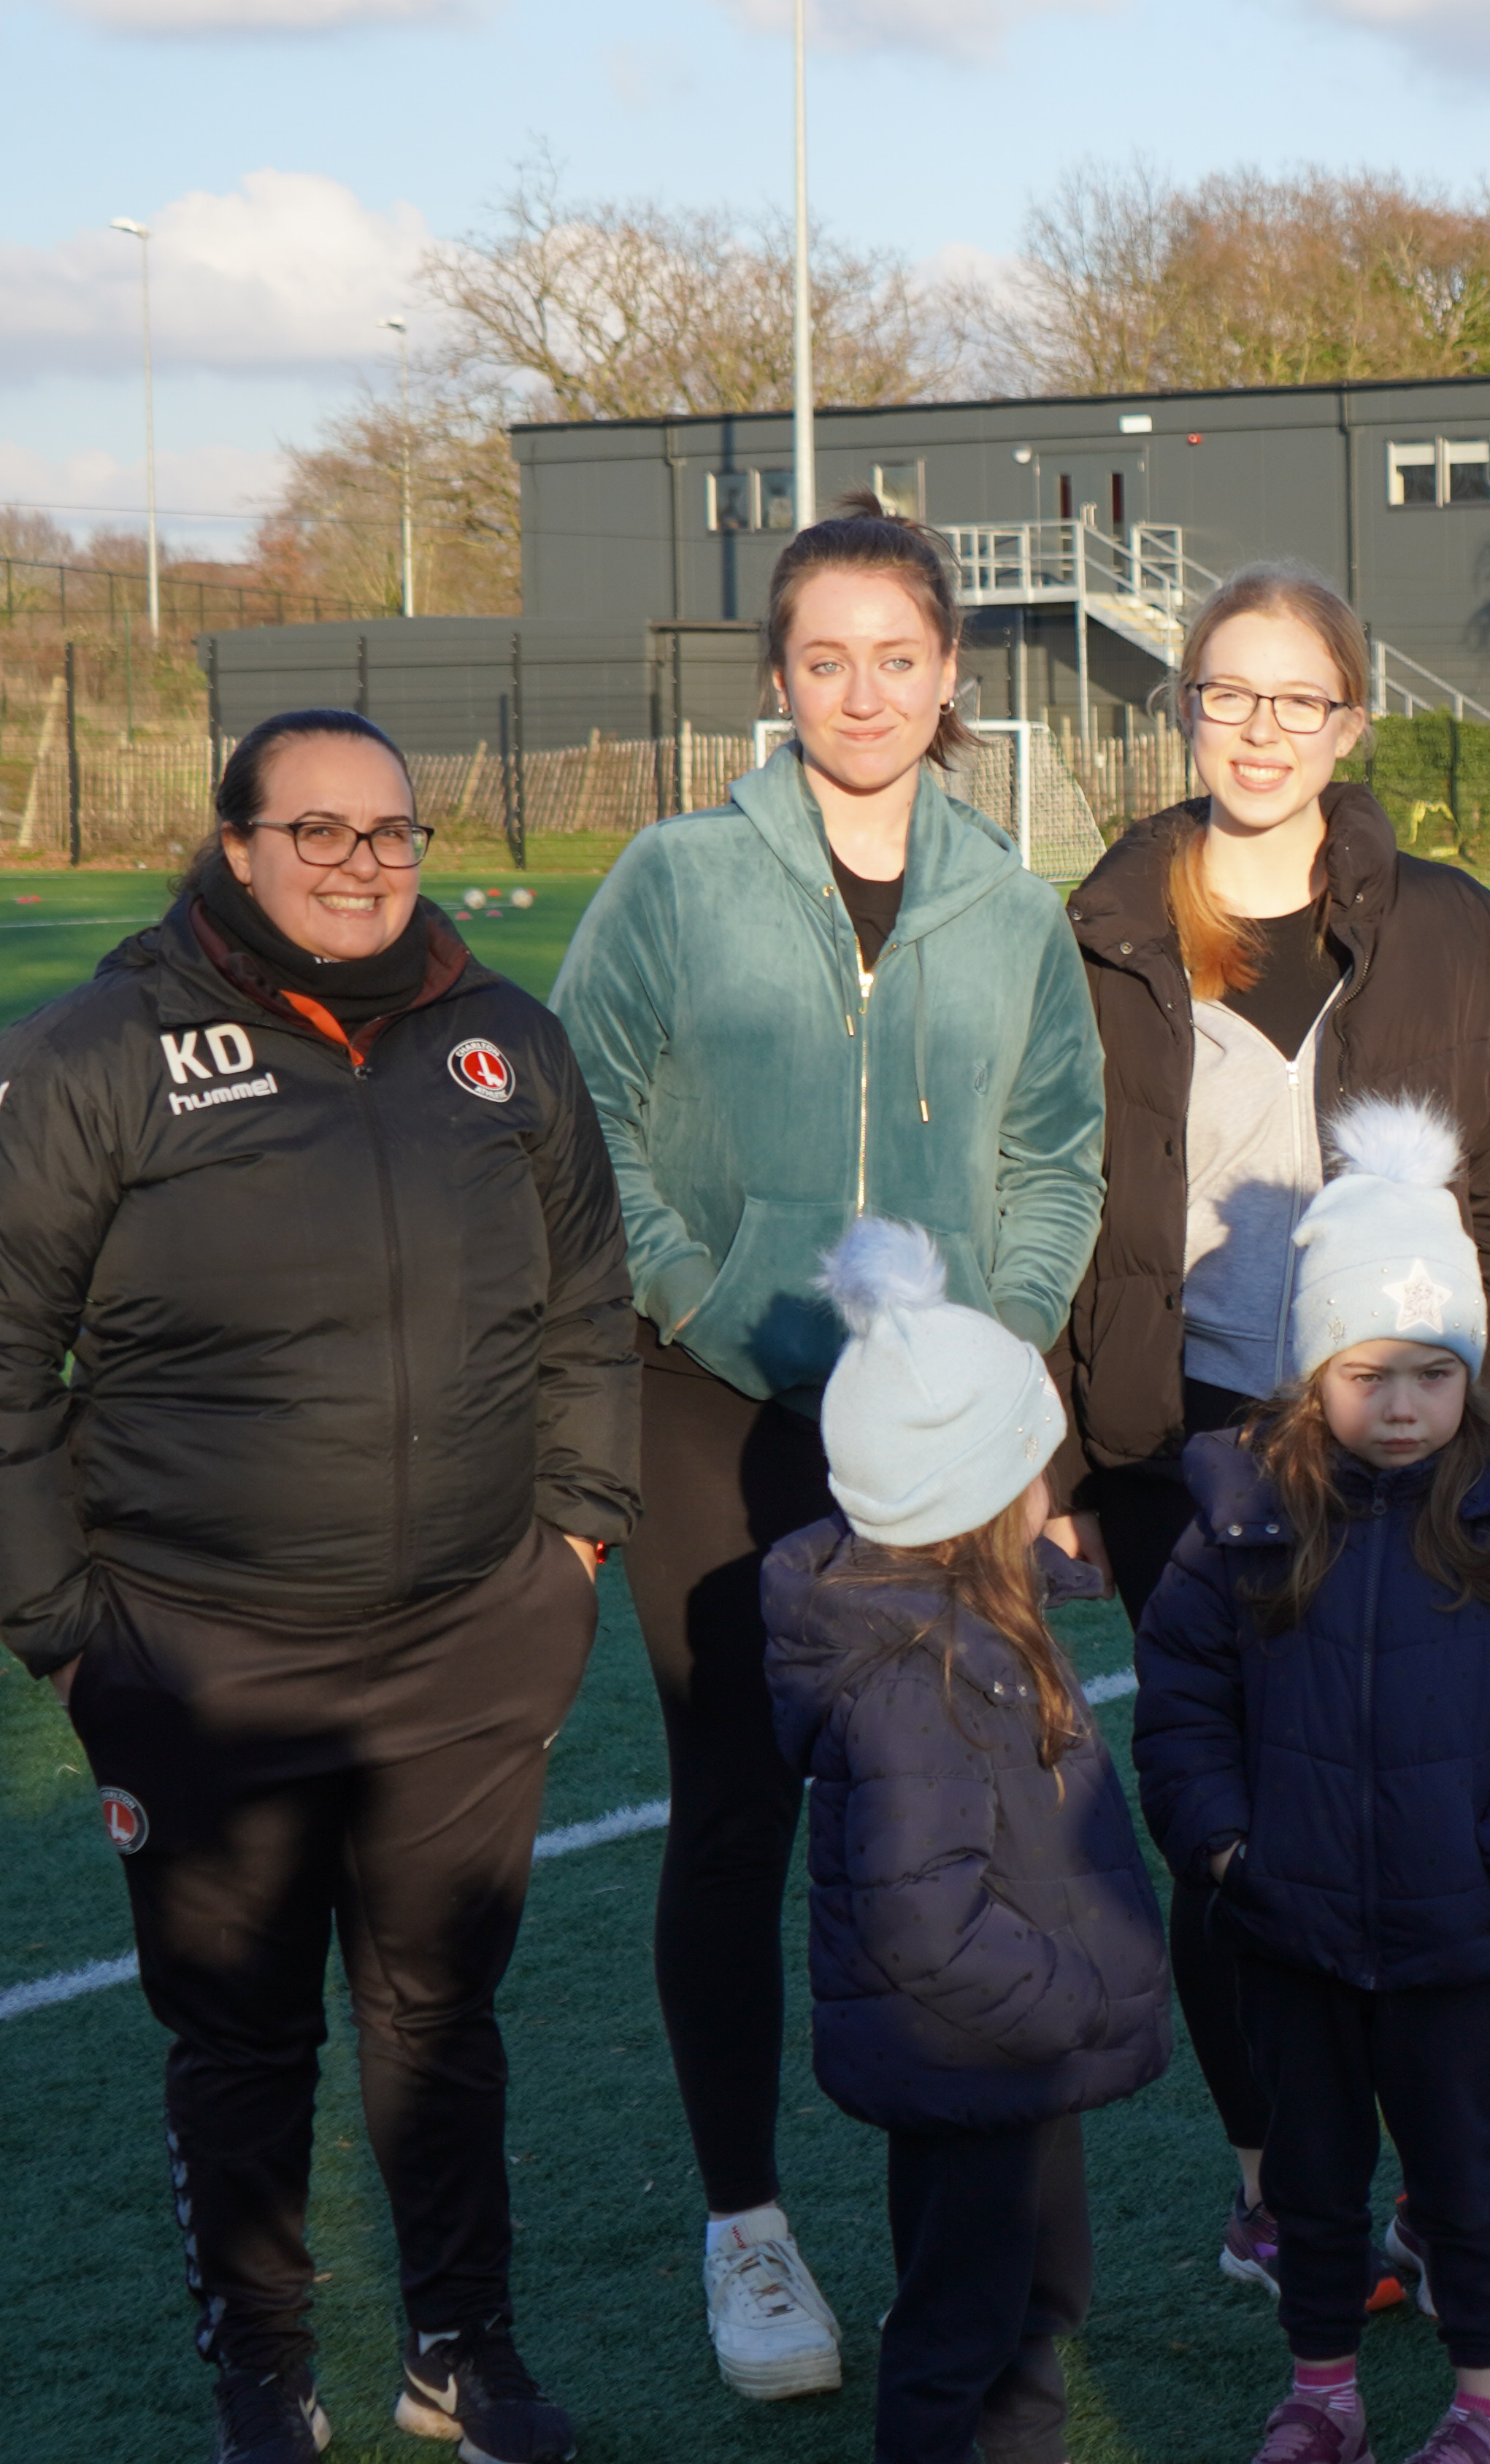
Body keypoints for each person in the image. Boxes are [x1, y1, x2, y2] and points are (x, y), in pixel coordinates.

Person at [0, 710, 632, 2464]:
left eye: (392, 831)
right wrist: (64, 1627)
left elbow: (591, 1307)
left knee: (445, 2015)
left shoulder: (505, 1040)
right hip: (206, 1656)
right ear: (239, 841)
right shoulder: (96, 1049)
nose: (361, 862)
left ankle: (463, 2348)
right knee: (244, 2037)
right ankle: (262, 2372)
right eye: (319, 831)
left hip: (463, 1644)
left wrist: (572, 1550)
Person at [549, 501, 1108, 2398]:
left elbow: (1055, 1157)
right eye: (824, 658)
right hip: (718, 1403)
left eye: (898, 657)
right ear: (777, 678)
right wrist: (705, 1294)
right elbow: (582, 1116)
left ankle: (954, 2244)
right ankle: (748, 2231)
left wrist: (994, 1354)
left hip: (940, 1443)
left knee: (952, 1808)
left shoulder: (1011, 904)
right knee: (737, 1809)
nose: (863, 693)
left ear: (953, 676)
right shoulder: (674, 879)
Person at [1059, 563, 1490, 2292]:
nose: (1264, 729)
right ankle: (1276, 2181)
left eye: (1301, 699)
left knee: (1422, 1811)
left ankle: (1445, 2186)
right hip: (1191, 1440)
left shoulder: (1454, 933)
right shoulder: (1099, 923)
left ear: (1352, 719)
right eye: (1233, 692)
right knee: (1229, 1822)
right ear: (1188, 703)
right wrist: (1059, 1460)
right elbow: (1046, 1201)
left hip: (1410, 1447)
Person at [1129, 1098, 1490, 2464]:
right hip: (1289, 1927)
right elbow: (1181, 1705)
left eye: (1431, 1372)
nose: (1402, 1404)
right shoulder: (1241, 1521)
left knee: (1461, 2176)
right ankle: (1324, 2385)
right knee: (1312, 2178)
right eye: (1367, 1373)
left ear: (1468, 1371)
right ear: (1310, 1373)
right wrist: (1225, 1850)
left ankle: (1483, 2403)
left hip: (1455, 1931)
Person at [761, 1222, 1170, 2464]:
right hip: (986, 2049)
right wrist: (1073, 1997)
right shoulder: (921, 1675)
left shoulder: (974, 1628)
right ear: (978, 1497)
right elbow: (921, 1918)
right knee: (965, 2331)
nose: (1055, 1490)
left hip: (1011, 2056)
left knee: (1028, 2317)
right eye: (1036, 1467)